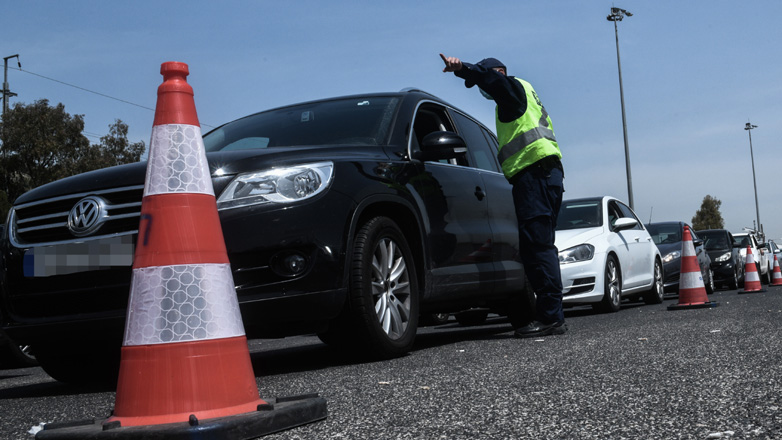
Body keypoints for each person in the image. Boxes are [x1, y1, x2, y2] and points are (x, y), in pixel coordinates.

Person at [440, 53, 566, 338]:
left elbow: (492, 81)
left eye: (487, 79)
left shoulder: (511, 89)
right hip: (545, 175)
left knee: (538, 248)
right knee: (540, 245)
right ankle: (550, 315)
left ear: (497, 72)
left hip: (535, 176)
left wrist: (464, 69)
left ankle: (551, 318)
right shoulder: (522, 93)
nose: (485, 91)